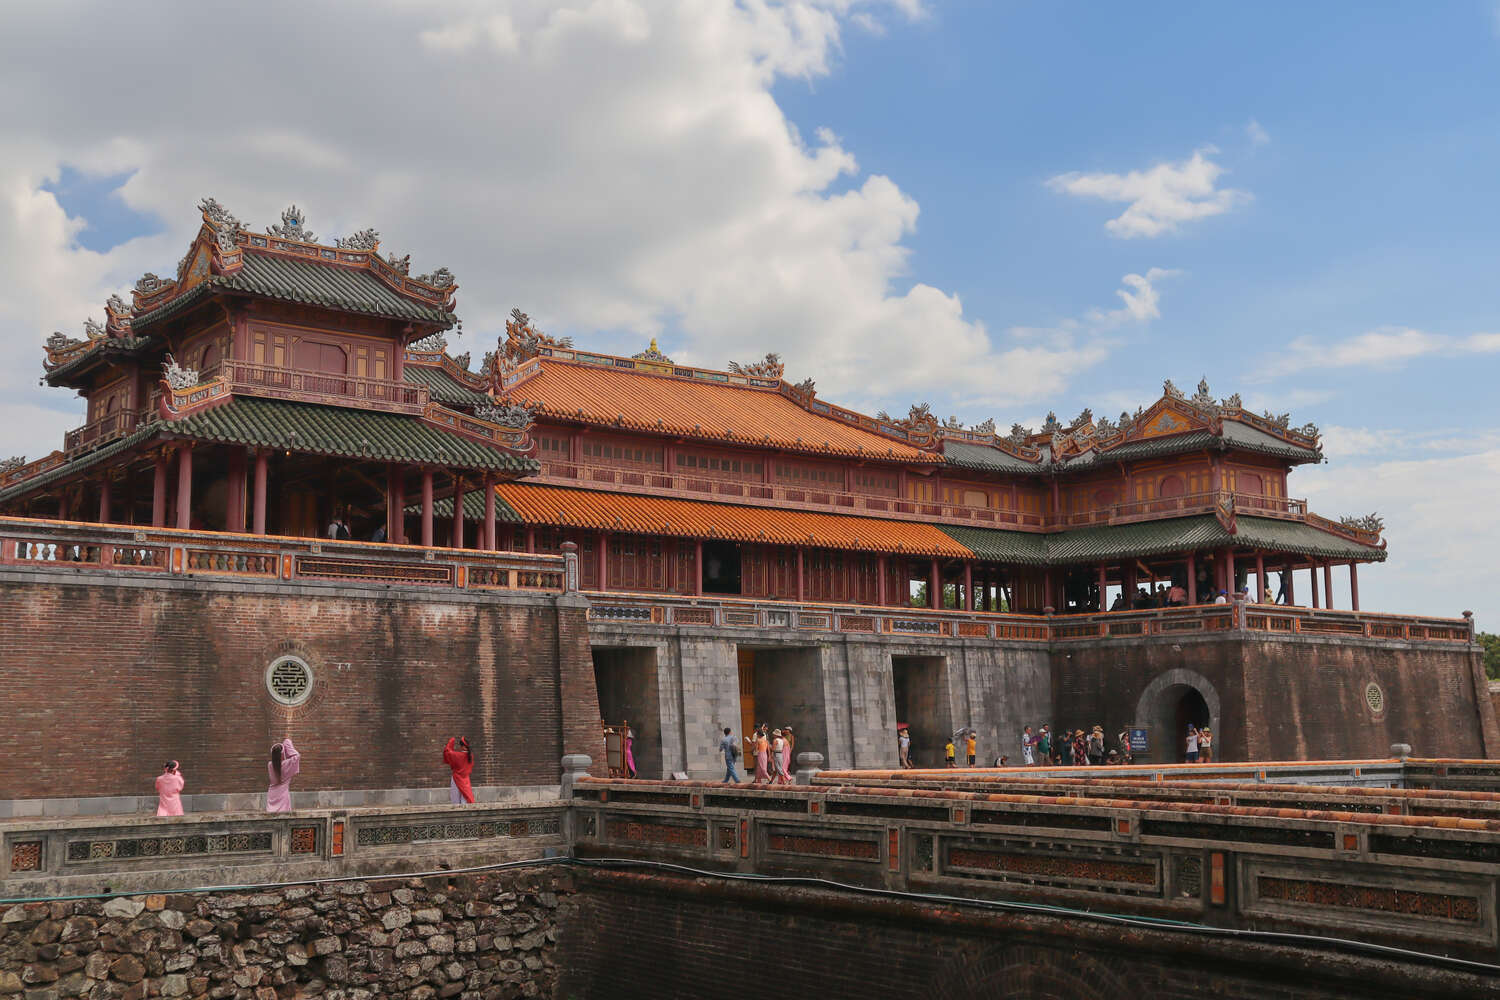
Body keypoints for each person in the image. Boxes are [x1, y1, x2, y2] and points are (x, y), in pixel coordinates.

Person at [266, 737, 300, 812]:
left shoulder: (270, 765)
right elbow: (297, 756)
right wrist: (287, 742)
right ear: (283, 753)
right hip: (283, 794)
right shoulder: (287, 764)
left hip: (272, 794)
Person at [443, 736, 474, 804]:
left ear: (462, 746)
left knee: (455, 799)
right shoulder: (471, 756)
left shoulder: (457, 755)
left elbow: (447, 752)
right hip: (466, 779)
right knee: (465, 798)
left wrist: (451, 742)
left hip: (456, 779)